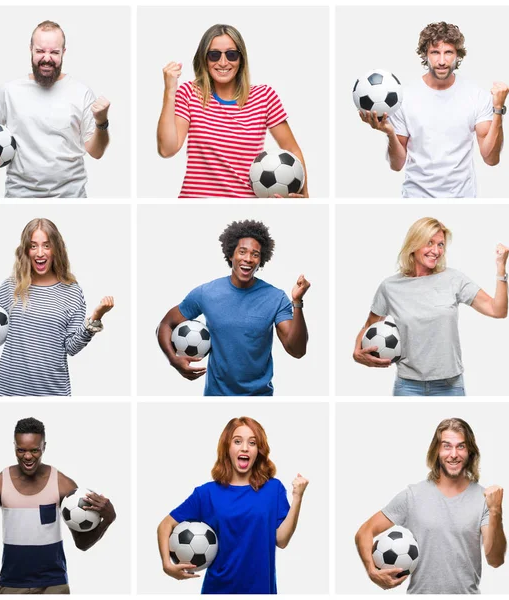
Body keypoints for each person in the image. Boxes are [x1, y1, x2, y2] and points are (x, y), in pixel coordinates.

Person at [0, 417, 117, 594]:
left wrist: (107, 520)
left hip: (54, 585)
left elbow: (82, 544)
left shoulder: (63, 485)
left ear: (44, 447)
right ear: (14, 447)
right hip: (12, 584)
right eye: (21, 450)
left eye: (34, 450)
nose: (28, 456)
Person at [353, 217, 509, 396]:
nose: (436, 251)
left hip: (450, 386)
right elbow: (368, 327)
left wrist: (500, 267)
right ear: (414, 244)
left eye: (441, 245)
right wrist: (356, 353)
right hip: (407, 386)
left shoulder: (454, 279)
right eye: (429, 243)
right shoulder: (390, 287)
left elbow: (498, 310)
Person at [0, 217, 114, 396]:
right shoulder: (11, 287)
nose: (40, 253)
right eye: (33, 246)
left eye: (46, 245)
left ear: (57, 249)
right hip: (7, 392)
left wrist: (96, 317)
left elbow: (71, 347)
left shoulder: (72, 292)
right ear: (25, 250)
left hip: (52, 393)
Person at [157, 219, 310, 396]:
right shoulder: (206, 293)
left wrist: (297, 303)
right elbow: (166, 324)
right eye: (242, 252)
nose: (248, 259)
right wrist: (173, 360)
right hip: (216, 396)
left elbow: (297, 351)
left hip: (260, 397)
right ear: (231, 255)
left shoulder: (275, 297)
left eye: (255, 254)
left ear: (261, 260)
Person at [157, 416, 308, 594]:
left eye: (252, 443)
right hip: (218, 590)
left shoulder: (273, 489)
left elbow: (281, 540)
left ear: (258, 450)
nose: (245, 447)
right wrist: (167, 564)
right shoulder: (206, 493)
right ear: (227, 447)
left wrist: (297, 497)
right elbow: (165, 525)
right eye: (237, 441)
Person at [0, 20, 110, 197]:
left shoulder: (81, 92)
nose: (47, 58)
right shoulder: (9, 91)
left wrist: (101, 122)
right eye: (40, 51)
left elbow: (96, 152)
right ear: (31, 49)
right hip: (20, 196)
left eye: (54, 52)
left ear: (64, 52)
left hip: (71, 197)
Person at [355, 418, 506, 593]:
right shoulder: (412, 496)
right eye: (447, 446)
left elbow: (495, 560)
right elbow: (365, 531)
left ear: (470, 451)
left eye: (461, 446)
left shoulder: (484, 499)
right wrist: (372, 572)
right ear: (437, 451)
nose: (454, 454)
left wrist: (496, 511)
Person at [359, 21, 509, 198]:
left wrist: (498, 109)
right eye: (435, 52)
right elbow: (396, 165)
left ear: (458, 55)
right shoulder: (404, 97)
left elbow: (491, 159)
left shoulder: (476, 96)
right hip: (416, 197)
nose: (441, 61)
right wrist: (390, 133)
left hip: (462, 198)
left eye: (448, 53)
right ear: (425, 54)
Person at [157, 23, 308, 198]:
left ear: (241, 58)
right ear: (204, 59)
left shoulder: (265, 96)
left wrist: (304, 198)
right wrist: (169, 90)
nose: (223, 62)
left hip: (245, 209)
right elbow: (167, 149)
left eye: (231, 54)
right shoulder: (189, 93)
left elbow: (292, 149)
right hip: (195, 205)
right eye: (214, 55)